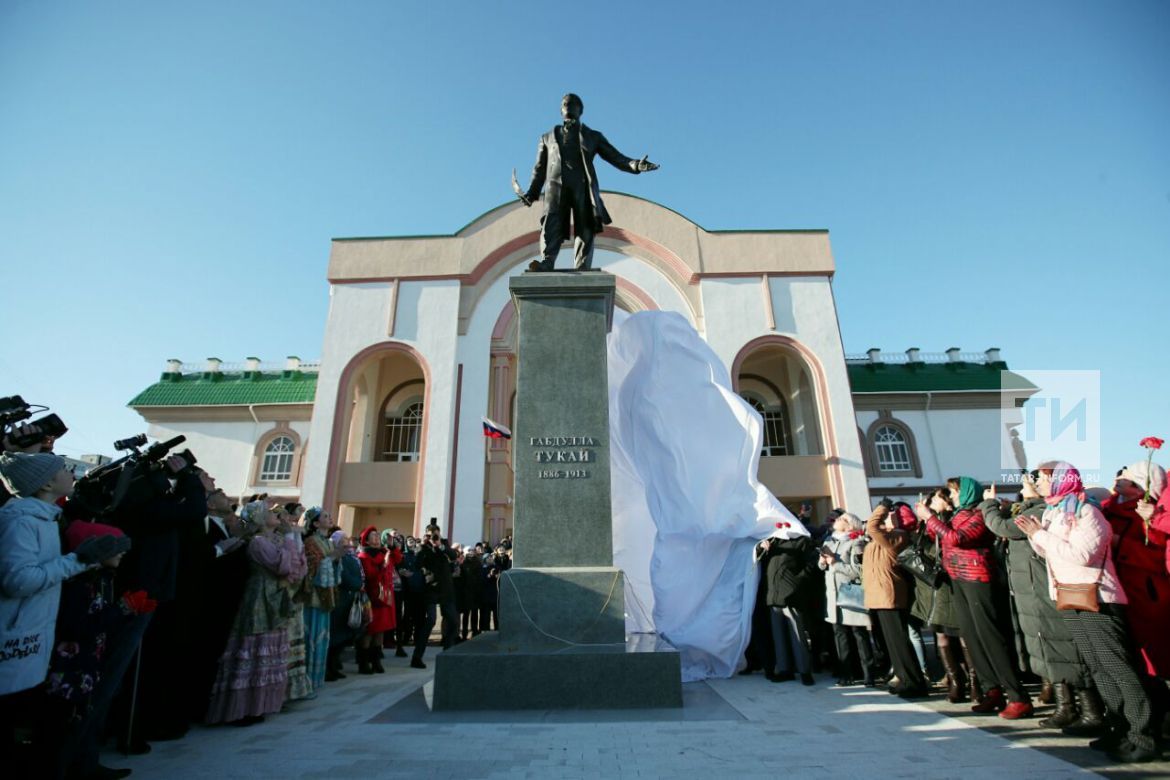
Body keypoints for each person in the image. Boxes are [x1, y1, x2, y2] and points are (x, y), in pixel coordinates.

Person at [1016, 462, 1159, 763]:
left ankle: (1143, 735)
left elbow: (1081, 555)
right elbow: (1050, 552)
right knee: (1097, 667)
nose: (1039, 485)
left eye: (1043, 480)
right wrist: (1037, 535)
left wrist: (1041, 536)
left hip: (1098, 596)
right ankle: (1118, 727)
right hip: (1070, 594)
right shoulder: (1056, 512)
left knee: (1117, 666)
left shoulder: (1087, 512)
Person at [0, 452, 124, 774]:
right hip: (17, 640)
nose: (70, 472)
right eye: (62, 469)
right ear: (45, 484)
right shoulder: (22, 522)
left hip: (32, 637)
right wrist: (77, 561)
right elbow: (19, 580)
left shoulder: (45, 518)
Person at [981, 476, 1092, 729]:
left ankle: (1088, 709)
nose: (1022, 489)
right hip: (1029, 591)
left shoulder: (1044, 511)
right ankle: (1065, 706)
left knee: (1065, 650)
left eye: (1028, 484)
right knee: (1047, 650)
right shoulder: (1035, 509)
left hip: (1041, 588)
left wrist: (989, 505)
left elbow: (1003, 526)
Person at [918, 477, 1032, 719]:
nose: (952, 496)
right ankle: (991, 689)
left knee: (991, 636)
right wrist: (931, 518)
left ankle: (1017, 695)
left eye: (954, 491)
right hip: (957, 579)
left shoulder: (980, 514)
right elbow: (938, 535)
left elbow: (957, 538)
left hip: (978, 579)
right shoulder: (959, 514)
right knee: (971, 636)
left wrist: (931, 517)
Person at [519, 93, 659, 271]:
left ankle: (582, 266)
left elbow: (616, 158)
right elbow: (539, 168)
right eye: (564, 104)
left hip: (582, 185)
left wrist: (636, 165)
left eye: (572, 103)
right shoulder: (547, 137)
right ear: (561, 110)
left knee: (585, 227)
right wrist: (532, 193)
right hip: (556, 187)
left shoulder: (592, 136)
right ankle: (547, 261)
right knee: (551, 224)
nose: (568, 105)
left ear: (580, 110)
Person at [205, 501, 300, 726]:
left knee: (271, 648)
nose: (275, 514)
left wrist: (290, 541)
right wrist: (289, 539)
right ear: (257, 518)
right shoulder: (256, 542)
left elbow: (296, 566)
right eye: (268, 512)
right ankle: (243, 707)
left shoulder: (273, 540)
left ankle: (261, 704)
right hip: (260, 597)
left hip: (275, 594)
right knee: (255, 646)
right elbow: (283, 566)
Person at [1100, 461, 1170, 726]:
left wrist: (1121, 544)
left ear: (1141, 487)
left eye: (1127, 480)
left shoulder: (1149, 514)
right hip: (1121, 590)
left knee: (1153, 658)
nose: (1119, 480)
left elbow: (1155, 557)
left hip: (1146, 592)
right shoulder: (1112, 510)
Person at [863, 505, 928, 698]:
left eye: (891, 516)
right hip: (878, 596)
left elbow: (872, 527)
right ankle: (903, 677)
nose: (886, 519)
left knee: (899, 641)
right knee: (892, 643)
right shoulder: (884, 537)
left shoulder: (897, 536)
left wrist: (881, 507)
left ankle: (913, 681)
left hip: (888, 595)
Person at [817, 512, 875, 686]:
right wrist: (822, 561)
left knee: (859, 635)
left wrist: (834, 563)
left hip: (850, 593)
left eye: (841, 519)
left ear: (850, 525)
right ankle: (846, 674)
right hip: (833, 595)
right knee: (839, 635)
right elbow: (822, 568)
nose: (836, 520)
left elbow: (858, 571)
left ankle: (868, 675)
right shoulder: (829, 541)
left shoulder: (856, 543)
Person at [756, 522, 817, 685]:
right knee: (779, 636)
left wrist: (797, 582)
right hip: (773, 596)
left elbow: (811, 564)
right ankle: (785, 669)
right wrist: (761, 548)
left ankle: (804, 670)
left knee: (797, 635)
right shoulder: (773, 542)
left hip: (792, 596)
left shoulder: (801, 541)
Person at [301, 508, 338, 692]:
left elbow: (333, 567)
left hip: (327, 595)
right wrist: (333, 557)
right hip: (314, 596)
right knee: (311, 637)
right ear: (315, 523)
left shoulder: (328, 542)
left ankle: (317, 679)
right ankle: (306, 680)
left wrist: (335, 558)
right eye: (325, 516)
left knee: (323, 636)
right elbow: (311, 567)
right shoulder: (310, 542)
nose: (329, 517)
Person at [357, 527, 402, 673]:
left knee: (380, 630)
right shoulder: (364, 556)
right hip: (373, 597)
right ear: (367, 540)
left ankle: (376, 660)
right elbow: (371, 577)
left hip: (386, 597)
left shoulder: (384, 552)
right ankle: (364, 662)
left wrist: (391, 545)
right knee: (369, 631)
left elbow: (398, 558)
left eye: (377, 535)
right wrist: (383, 565)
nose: (376, 538)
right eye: (373, 536)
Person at [327, 532, 363, 681]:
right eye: (342, 541)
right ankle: (328, 667)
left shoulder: (351, 558)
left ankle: (335, 665)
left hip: (349, 599)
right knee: (334, 636)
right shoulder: (335, 558)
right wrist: (355, 583)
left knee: (344, 636)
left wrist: (358, 583)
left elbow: (359, 575)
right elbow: (343, 577)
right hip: (339, 600)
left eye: (346, 540)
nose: (346, 543)